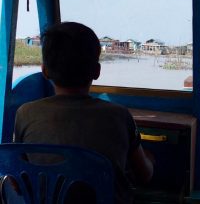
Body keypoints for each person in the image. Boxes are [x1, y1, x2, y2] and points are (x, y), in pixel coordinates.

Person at [13, 22, 153, 203]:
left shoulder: (25, 113)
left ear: (45, 72)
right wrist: (150, 159)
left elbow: (19, 177)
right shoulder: (119, 116)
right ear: (96, 71)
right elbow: (145, 176)